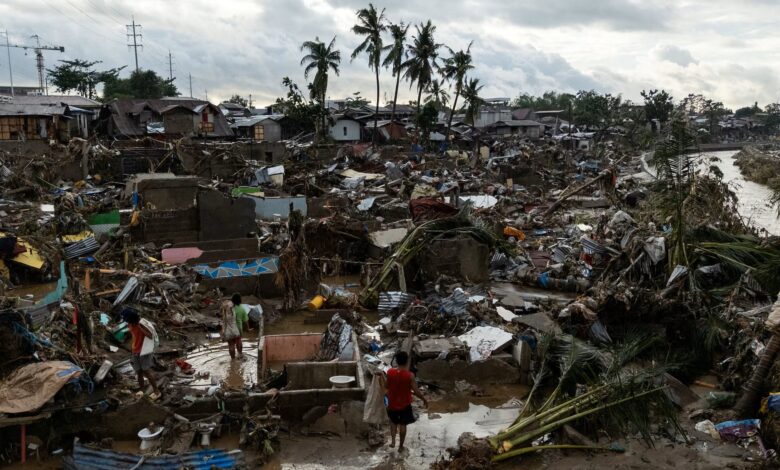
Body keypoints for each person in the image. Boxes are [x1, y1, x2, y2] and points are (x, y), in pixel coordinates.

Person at [379, 351, 428, 451]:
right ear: (407, 361)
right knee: (403, 424)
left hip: (391, 403)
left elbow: (386, 386)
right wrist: (424, 399)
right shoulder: (410, 375)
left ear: (396, 361)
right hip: (404, 404)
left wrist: (381, 378)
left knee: (393, 422)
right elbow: (416, 391)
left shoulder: (390, 372)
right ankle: (401, 446)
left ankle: (393, 442)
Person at [122, 308, 160, 399]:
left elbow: (150, 335)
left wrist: (140, 327)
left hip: (144, 351)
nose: (127, 322)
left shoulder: (142, 324)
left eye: (127, 320)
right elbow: (133, 335)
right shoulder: (130, 324)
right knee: (138, 371)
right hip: (135, 350)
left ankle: (156, 390)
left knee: (146, 371)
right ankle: (142, 390)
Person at [231, 293, 250, 359]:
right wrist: (247, 329)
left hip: (230, 328)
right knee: (238, 341)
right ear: (240, 300)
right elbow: (245, 321)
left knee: (231, 344)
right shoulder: (242, 308)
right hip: (238, 328)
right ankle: (240, 354)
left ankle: (232, 359)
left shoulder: (230, 308)